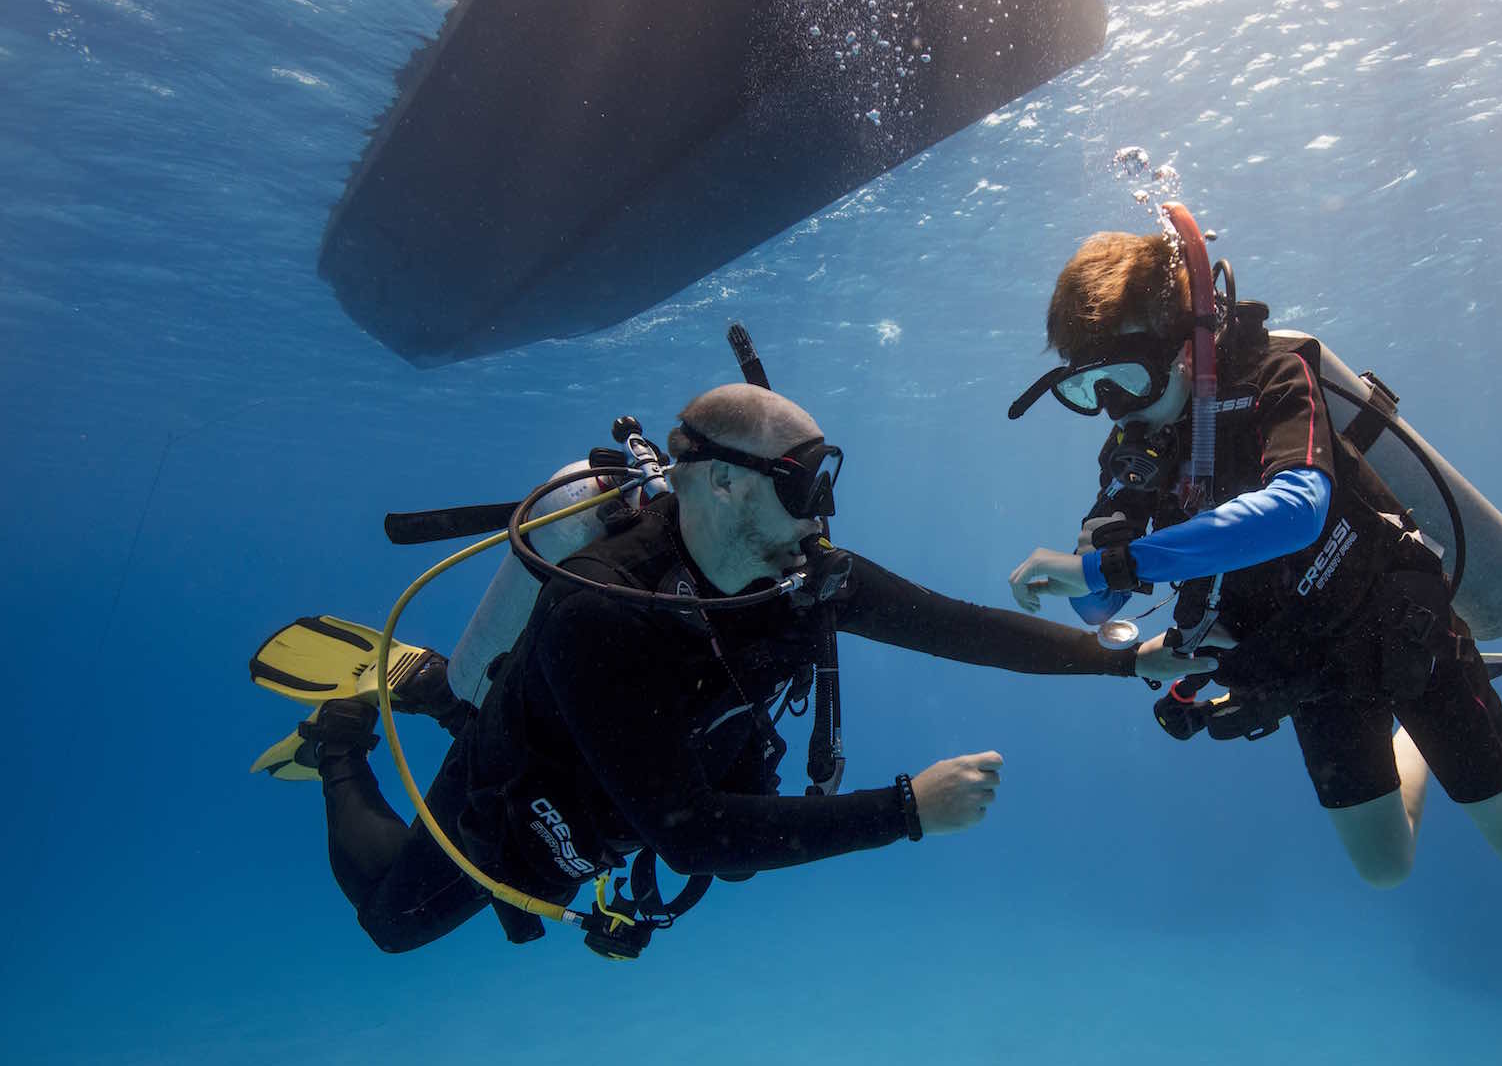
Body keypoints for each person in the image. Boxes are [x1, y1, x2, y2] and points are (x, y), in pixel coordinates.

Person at [255, 383, 1201, 954]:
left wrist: (1126, 661)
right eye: (800, 484)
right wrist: (908, 809)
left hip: (632, 756)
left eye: (825, 480)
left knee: (537, 720)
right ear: (717, 481)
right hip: (536, 790)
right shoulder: (603, 609)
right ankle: (341, 745)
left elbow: (955, 627)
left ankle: (430, 683)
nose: (819, 515)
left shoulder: (798, 573)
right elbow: (696, 839)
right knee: (392, 920)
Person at [1005, 220, 1502, 888]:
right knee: (1385, 867)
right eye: (1088, 390)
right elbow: (1099, 600)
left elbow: (1295, 510)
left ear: (1188, 346)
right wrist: (1101, 574)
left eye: (1125, 379)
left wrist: (1113, 568)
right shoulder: (1133, 445)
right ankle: (1421, 726)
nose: (1113, 407)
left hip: (1397, 628)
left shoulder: (1277, 379)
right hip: (1306, 668)